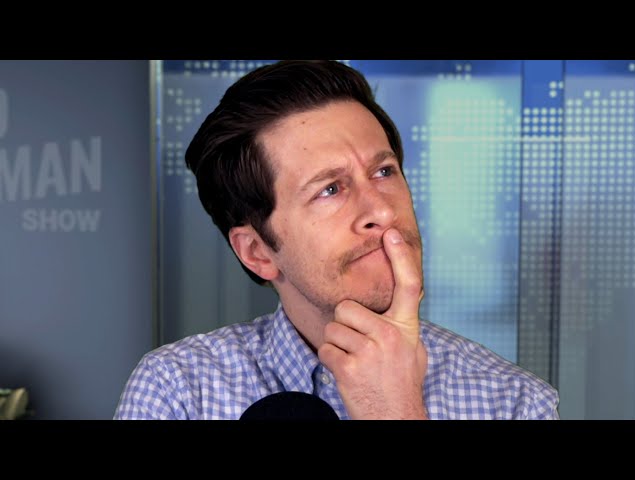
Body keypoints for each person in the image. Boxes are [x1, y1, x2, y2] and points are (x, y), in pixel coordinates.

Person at [115, 60, 559, 420]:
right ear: (257, 252)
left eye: (384, 172)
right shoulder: (178, 392)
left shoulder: (516, 404)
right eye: (330, 189)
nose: (381, 211)